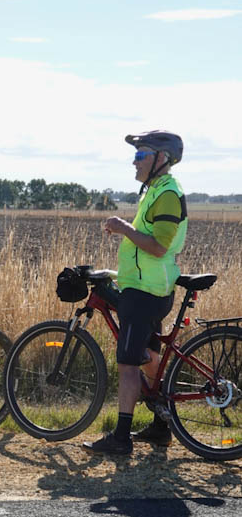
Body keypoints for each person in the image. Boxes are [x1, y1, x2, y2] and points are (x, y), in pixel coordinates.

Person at [84, 131, 188, 455]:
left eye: (141, 155)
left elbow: (158, 246)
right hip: (146, 287)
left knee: (128, 364)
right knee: (151, 357)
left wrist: (123, 228)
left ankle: (121, 438)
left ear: (161, 159)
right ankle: (160, 426)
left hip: (146, 291)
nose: (134, 161)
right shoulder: (155, 190)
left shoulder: (167, 194)